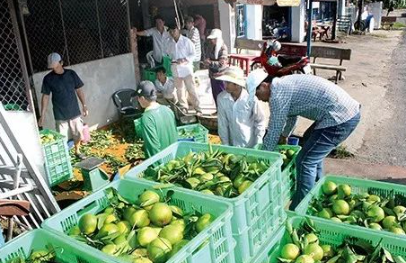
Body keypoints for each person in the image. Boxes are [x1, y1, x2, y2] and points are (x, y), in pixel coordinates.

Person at [249, 70, 361, 209]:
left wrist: (264, 157)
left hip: (339, 118)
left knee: (305, 161)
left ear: (265, 85)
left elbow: (274, 129)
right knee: (309, 145)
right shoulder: (283, 85)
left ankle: (301, 206)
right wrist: (285, 135)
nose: (258, 99)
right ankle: (317, 189)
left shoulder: (277, 95)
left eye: (257, 93)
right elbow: (291, 115)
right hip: (340, 113)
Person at [39, 53, 88, 159]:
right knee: (62, 138)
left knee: (78, 134)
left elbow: (79, 90)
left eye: (56, 66)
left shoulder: (71, 74)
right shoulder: (48, 79)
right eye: (53, 67)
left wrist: (84, 105)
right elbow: (45, 97)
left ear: (61, 63)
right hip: (60, 114)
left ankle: (77, 151)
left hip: (74, 111)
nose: (54, 69)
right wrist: (42, 115)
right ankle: (65, 156)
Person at [216, 67, 266, 148]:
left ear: (236, 84)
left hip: (250, 143)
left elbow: (260, 120)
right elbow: (222, 123)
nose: (225, 85)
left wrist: (259, 140)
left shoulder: (251, 98)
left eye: (228, 83)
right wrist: (225, 143)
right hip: (232, 144)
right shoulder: (221, 98)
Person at [164, 25, 202, 116]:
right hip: (176, 69)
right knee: (179, 90)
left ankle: (198, 108)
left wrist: (185, 59)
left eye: (174, 31)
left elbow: (193, 54)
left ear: (178, 30)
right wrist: (173, 61)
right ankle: (184, 107)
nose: (172, 33)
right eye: (170, 32)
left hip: (186, 69)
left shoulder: (186, 41)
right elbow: (168, 54)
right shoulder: (169, 43)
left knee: (191, 89)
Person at [136, 81, 178, 158]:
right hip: (175, 157)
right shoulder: (167, 109)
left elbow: (153, 147)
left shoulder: (147, 118)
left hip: (162, 165)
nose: (138, 101)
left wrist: (157, 168)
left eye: (137, 98)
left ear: (142, 98)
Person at [204, 29, 228, 107]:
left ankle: (223, 110)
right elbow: (207, 56)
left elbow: (221, 63)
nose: (212, 41)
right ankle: (218, 109)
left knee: (222, 93)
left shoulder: (223, 48)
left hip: (220, 75)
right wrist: (206, 61)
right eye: (211, 39)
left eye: (214, 39)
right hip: (212, 74)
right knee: (215, 93)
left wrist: (210, 62)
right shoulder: (210, 46)